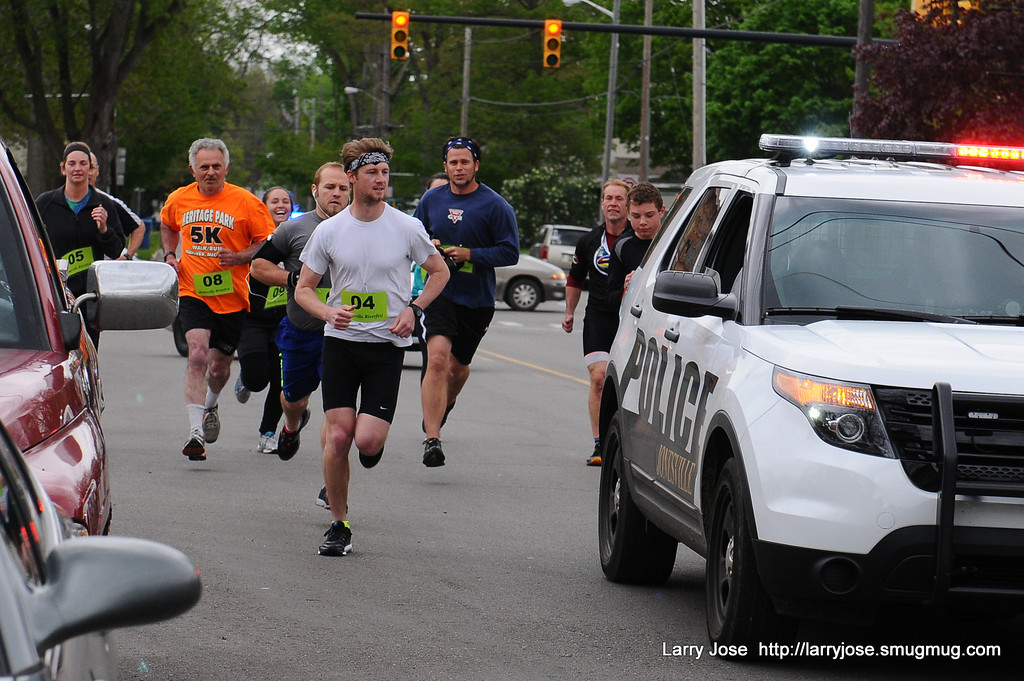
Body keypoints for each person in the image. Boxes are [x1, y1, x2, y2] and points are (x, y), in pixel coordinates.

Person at [294, 137, 449, 557]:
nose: (380, 180)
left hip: (385, 347)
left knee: (366, 441)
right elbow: (304, 289)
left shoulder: (405, 227)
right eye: (371, 173)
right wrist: (327, 314)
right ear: (351, 177)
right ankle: (339, 524)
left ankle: (371, 447)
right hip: (340, 344)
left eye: (384, 172)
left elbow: (440, 272)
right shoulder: (329, 231)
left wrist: (414, 309)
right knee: (339, 437)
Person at [160, 138, 275, 461]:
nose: (210, 172)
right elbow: (168, 225)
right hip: (193, 290)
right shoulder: (178, 198)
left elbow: (266, 242)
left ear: (226, 168)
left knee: (221, 368)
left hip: (233, 296)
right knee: (197, 354)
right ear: (193, 169)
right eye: (204, 167)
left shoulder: (246, 202)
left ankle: (210, 405)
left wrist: (240, 256)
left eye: (216, 166)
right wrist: (171, 253)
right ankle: (195, 431)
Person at [413, 136, 520, 468]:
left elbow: (510, 252)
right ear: (444, 166)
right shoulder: (432, 199)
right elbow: (412, 236)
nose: (459, 168)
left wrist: (469, 254)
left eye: (465, 162)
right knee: (437, 362)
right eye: (452, 162)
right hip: (439, 293)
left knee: (457, 369)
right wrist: (428, 245)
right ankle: (433, 439)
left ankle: (446, 403)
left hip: (477, 299)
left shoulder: (495, 205)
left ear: (476, 165)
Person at [249, 162, 350, 496]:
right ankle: (292, 424)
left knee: (339, 415)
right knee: (292, 401)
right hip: (300, 331)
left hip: (342, 336)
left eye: (343, 189)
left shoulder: (362, 227)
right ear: (314, 191)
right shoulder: (294, 230)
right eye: (330, 188)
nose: (336, 194)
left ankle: (330, 483)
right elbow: (259, 266)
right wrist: (293, 279)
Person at [561, 179, 632, 466]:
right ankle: (600, 444)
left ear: (627, 204)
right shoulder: (589, 241)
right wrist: (569, 312)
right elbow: (575, 279)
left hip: (630, 319)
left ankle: (629, 443)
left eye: (619, 198)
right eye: (608, 198)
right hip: (599, 316)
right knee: (599, 379)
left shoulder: (639, 239)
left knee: (628, 383)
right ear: (602, 203)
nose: (613, 203)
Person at [35, 141, 125, 347]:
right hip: (55, 291)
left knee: (87, 351)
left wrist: (103, 229)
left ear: (91, 169)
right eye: (72, 163)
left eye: (83, 164)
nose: (77, 169)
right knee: (57, 348)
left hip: (89, 295)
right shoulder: (45, 203)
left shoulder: (103, 204)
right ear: (63, 168)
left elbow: (117, 249)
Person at [233, 187, 292, 454]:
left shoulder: (299, 234)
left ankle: (268, 433)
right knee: (258, 378)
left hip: (286, 319)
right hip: (252, 316)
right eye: (274, 201)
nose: (281, 205)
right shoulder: (254, 236)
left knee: (281, 380)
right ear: (263, 206)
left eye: (286, 201)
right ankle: (246, 379)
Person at [605, 182, 665, 306]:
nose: (642, 222)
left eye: (649, 215)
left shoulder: (673, 241)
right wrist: (627, 287)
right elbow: (611, 298)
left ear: (661, 211)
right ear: (628, 213)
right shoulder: (622, 246)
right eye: (636, 216)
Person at [88, 152, 145, 260]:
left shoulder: (109, 203)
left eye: (91, 167)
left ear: (97, 171)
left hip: (103, 272)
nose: (87, 172)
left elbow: (139, 227)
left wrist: (127, 256)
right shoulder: (56, 202)